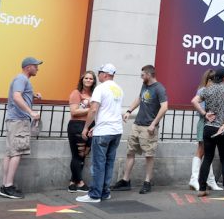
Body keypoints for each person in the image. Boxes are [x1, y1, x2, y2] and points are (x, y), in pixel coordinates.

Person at [112, 65, 168, 194]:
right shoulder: (145, 85)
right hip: (137, 124)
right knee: (130, 152)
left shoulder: (159, 88)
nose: (141, 77)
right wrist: (129, 110)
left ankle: (147, 182)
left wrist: (154, 124)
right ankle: (125, 180)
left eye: (142, 75)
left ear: (149, 74)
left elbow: (164, 107)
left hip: (148, 127)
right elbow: (139, 98)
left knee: (149, 155)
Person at [77, 63, 124, 203]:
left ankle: (95, 195)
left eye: (99, 73)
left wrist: (86, 127)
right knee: (109, 163)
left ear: (104, 74)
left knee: (98, 164)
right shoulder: (119, 89)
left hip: (103, 132)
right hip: (116, 131)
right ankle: (104, 192)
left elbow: (93, 109)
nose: (98, 75)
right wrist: (95, 126)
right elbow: (110, 111)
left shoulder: (100, 88)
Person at [190, 67, 224, 199]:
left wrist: (205, 114)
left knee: (207, 158)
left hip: (209, 127)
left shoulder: (208, 90)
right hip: (223, 130)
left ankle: (202, 189)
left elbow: (194, 101)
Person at [0, 56, 42, 199]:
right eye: (36, 66)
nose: (38, 68)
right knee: (16, 153)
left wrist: (33, 96)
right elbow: (17, 96)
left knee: (10, 153)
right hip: (19, 120)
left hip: (14, 120)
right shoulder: (21, 79)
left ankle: (5, 185)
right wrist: (31, 112)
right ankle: (8, 186)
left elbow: (19, 95)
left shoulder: (22, 80)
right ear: (28, 66)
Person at [188, 69, 222, 191]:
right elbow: (197, 105)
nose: (215, 82)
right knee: (202, 151)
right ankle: (194, 179)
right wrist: (205, 113)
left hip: (209, 123)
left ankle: (210, 180)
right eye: (213, 79)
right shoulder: (203, 91)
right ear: (208, 80)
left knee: (208, 153)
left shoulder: (206, 90)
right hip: (205, 123)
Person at [66, 70, 95, 193]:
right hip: (77, 126)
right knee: (77, 155)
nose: (88, 80)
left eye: (91, 79)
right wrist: (91, 109)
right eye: (86, 78)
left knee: (83, 155)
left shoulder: (95, 94)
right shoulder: (76, 93)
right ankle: (80, 183)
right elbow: (74, 111)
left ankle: (73, 181)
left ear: (94, 81)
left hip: (90, 126)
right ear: (82, 80)